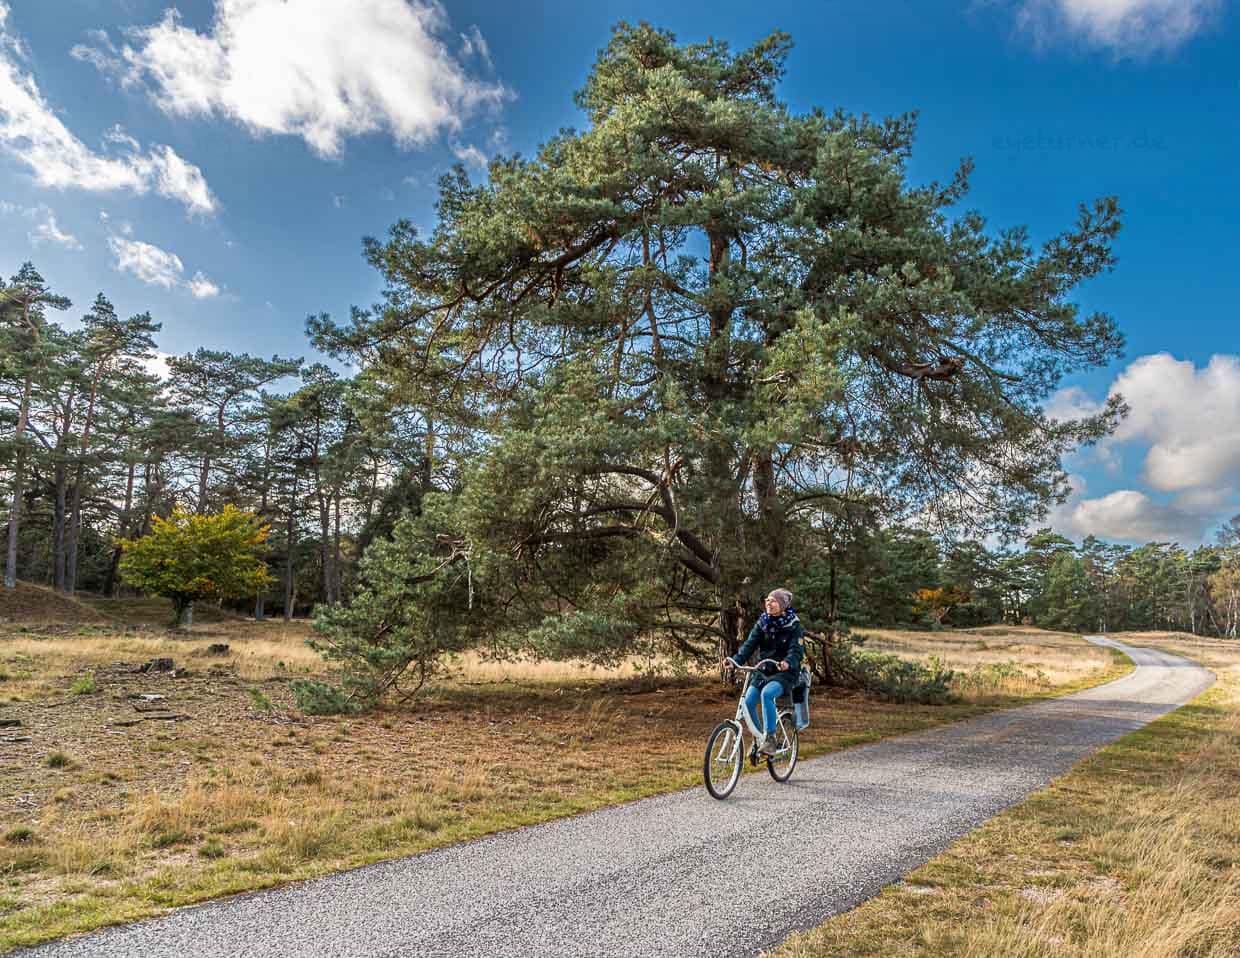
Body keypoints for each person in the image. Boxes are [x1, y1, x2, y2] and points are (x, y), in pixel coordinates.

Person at [722, 588, 804, 755]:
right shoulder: (763, 622)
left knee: (767, 694)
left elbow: (796, 651)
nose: (769, 603)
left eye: (773, 601)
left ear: (782, 605)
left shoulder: (794, 625)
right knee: (748, 702)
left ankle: (771, 739)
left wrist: (788, 663)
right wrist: (735, 661)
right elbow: (749, 645)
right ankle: (761, 738)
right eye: (767, 600)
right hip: (763, 670)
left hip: (784, 673)